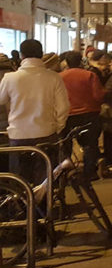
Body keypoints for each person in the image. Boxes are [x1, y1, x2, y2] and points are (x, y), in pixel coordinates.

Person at [0, 40, 69, 182]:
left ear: (21, 55)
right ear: (41, 54)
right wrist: (57, 127)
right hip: (46, 134)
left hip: (18, 135)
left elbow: (1, 100)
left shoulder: (10, 78)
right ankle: (43, 204)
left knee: (20, 180)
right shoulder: (54, 78)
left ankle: (23, 203)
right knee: (44, 180)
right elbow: (64, 107)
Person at [60, 51, 105, 181]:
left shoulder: (60, 77)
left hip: (67, 116)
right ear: (81, 61)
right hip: (89, 115)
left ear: (66, 63)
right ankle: (89, 173)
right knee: (90, 144)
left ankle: (66, 173)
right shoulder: (89, 75)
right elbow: (98, 96)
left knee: (66, 146)